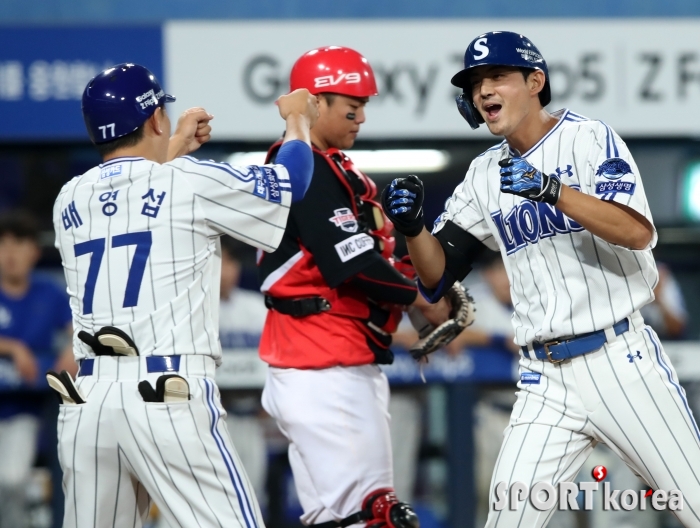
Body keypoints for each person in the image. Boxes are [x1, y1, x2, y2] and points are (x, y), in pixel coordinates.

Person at [382, 31, 700, 527]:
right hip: (543, 376)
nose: (484, 90)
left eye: (498, 77)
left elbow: (636, 232)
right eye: (476, 83)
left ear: (535, 82)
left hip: (619, 357)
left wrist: (553, 191)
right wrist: (412, 228)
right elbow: (437, 277)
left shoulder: (589, 137)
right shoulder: (484, 174)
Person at [52, 62, 319, 528]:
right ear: (155, 119)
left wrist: (172, 147)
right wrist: (298, 121)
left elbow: (130, 192)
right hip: (166, 395)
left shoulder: (69, 198)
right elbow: (291, 184)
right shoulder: (190, 180)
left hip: (88, 401)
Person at [258, 46, 448, 528]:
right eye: (351, 105)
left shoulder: (339, 168)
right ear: (312, 103)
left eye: (364, 105)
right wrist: (424, 298)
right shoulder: (299, 166)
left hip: (339, 360)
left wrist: (422, 273)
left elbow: (376, 257)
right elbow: (352, 265)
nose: (361, 116)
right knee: (373, 517)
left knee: (346, 517)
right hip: (320, 361)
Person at [0, 210, 75, 528]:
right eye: (2, 244)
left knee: (11, 480)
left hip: (23, 410)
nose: (10, 252)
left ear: (34, 250)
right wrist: (12, 348)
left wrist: (73, 350)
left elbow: (80, 330)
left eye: (19, 243)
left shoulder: (50, 290)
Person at [218, 236, 270, 507]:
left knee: (250, 497)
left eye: (231, 262)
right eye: (219, 263)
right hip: (208, 421)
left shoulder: (257, 307)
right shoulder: (190, 312)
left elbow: (274, 361)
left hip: (250, 417)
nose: (226, 271)